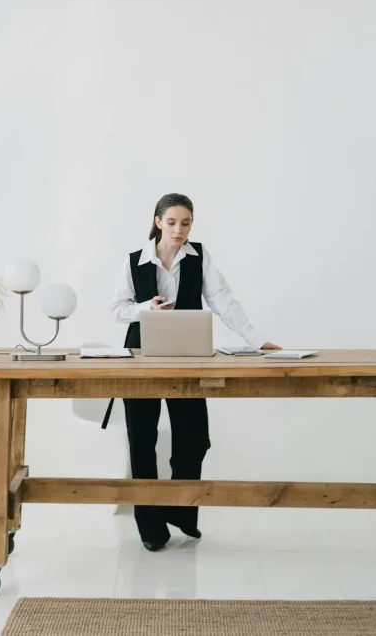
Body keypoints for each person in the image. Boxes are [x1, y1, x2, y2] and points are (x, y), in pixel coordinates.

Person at [110, 193, 280, 551]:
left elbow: (224, 302)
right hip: (141, 358)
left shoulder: (199, 257)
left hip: (188, 358)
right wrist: (146, 309)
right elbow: (117, 309)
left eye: (185, 223)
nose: (178, 230)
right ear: (157, 221)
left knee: (194, 438)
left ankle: (180, 510)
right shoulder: (133, 261)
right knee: (142, 442)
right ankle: (151, 528)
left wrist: (259, 341)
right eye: (171, 222)